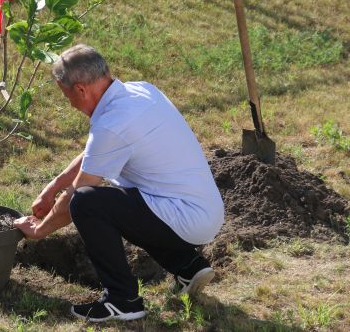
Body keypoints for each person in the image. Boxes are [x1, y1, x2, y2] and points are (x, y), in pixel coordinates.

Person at [14, 44, 225, 322]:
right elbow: (97, 153)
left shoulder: (112, 124)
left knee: (87, 203)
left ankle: (123, 300)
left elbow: (78, 191)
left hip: (185, 217)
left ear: (79, 90)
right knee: (123, 199)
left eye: (67, 97)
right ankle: (187, 265)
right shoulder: (140, 91)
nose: (70, 104)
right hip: (204, 208)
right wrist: (52, 187)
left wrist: (41, 230)